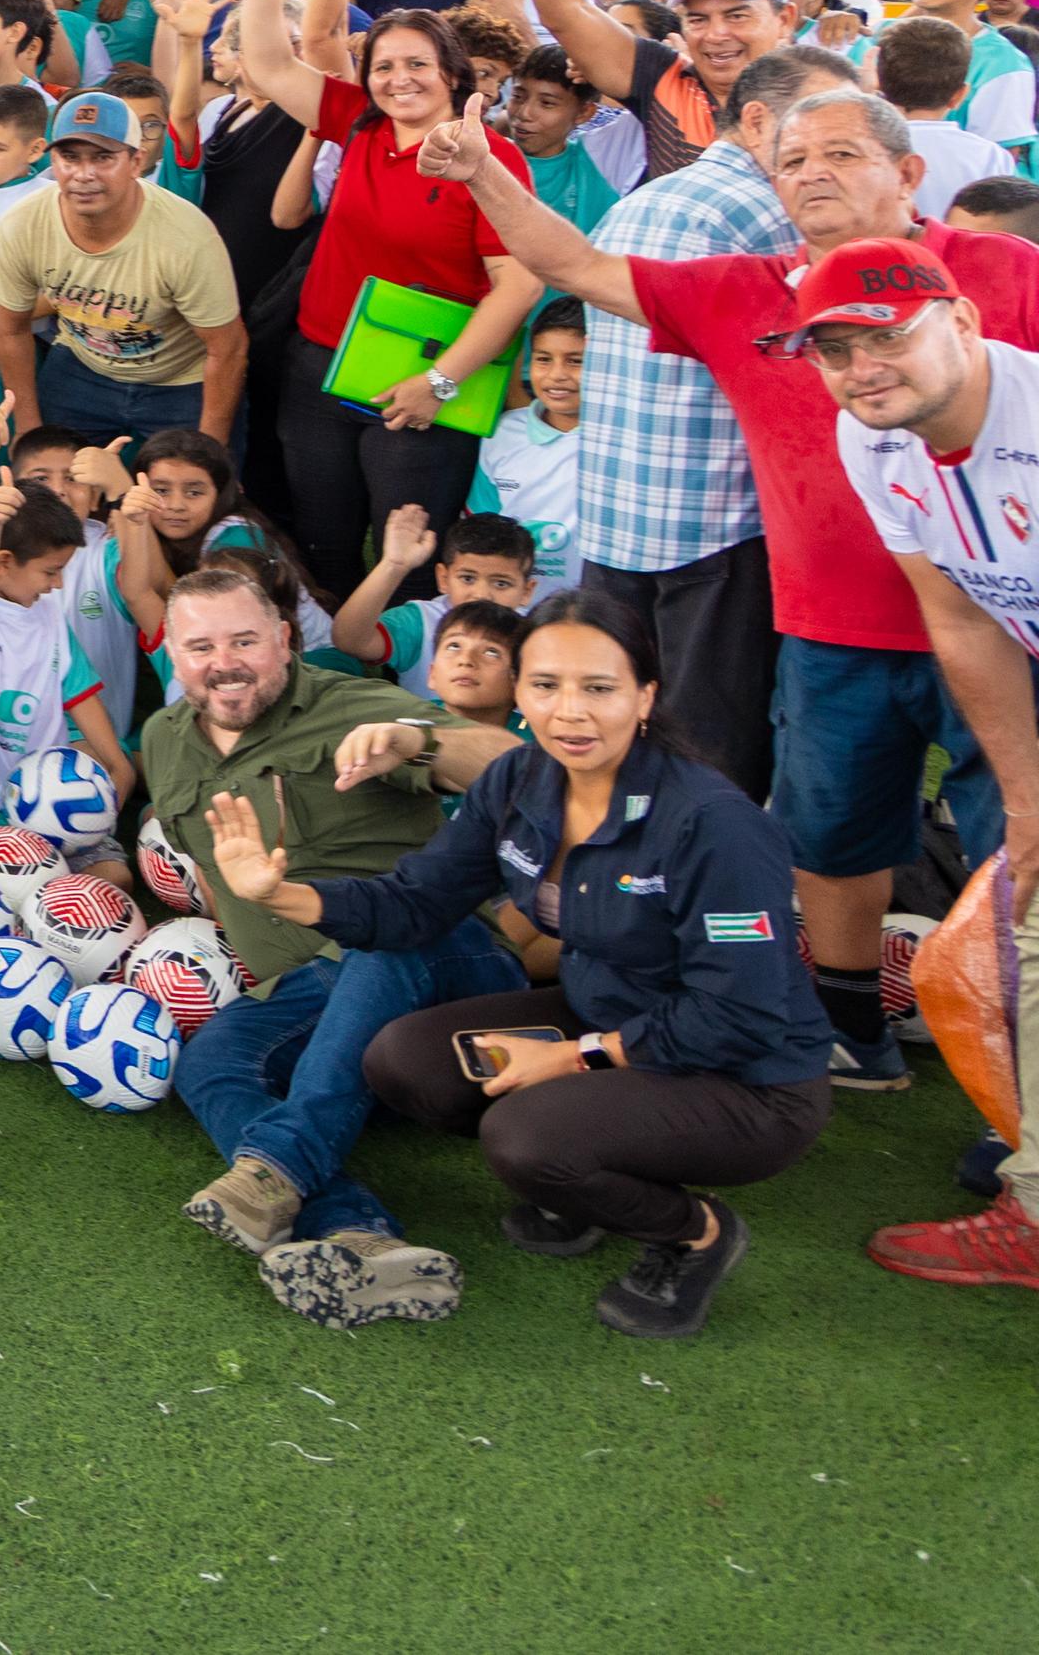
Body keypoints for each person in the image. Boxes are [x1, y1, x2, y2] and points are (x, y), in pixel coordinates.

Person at [426, 94, 1039, 1088]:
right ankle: (852, 1030)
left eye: (840, 152)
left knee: (1012, 843)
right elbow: (575, 265)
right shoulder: (749, 291)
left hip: (1005, 625)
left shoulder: (1000, 272)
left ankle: (1017, 1084)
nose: (810, 172)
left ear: (907, 173)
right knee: (829, 838)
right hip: (830, 630)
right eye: (791, 159)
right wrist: (481, 172)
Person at [204, 597, 832, 1339]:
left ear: (645, 695)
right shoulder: (520, 780)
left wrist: (573, 1057)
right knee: (405, 1062)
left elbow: (739, 1012)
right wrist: (280, 894)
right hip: (609, 1013)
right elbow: (415, 903)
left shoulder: (714, 823)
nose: (570, 711)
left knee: (524, 1137)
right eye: (545, 684)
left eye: (599, 687)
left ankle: (694, 1232)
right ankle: (590, 1172)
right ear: (521, 693)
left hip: (748, 1079)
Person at [138, 561, 528, 1329]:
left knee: (384, 931)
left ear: (285, 639)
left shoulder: (352, 705)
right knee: (211, 1061)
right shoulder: (164, 738)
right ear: (173, 654)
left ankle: (277, 1167)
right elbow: (214, 869)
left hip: (444, 967)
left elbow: (506, 763)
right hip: (312, 990)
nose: (225, 663)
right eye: (202, 646)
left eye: (245, 640)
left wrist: (415, 741)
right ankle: (360, 1237)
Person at [798, 238, 1039, 1288]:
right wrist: (1025, 799)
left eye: (887, 336)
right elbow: (964, 620)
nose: (862, 368)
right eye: (834, 348)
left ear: (965, 322)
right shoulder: (872, 436)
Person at [233, 0, 539, 595]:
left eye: (417, 64)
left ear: (453, 73)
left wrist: (440, 383)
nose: (399, 79)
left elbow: (519, 286)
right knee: (323, 538)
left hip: (425, 381)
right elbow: (272, 65)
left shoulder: (489, 157)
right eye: (383, 66)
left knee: (410, 557)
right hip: (322, 368)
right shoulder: (359, 124)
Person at [0, 88, 247, 446]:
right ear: (52, 161)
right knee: (49, 473)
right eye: (69, 157)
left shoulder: (187, 237)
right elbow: (12, 330)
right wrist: (28, 428)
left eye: (103, 157)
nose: (84, 174)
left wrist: (209, 452)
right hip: (82, 367)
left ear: (136, 162)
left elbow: (228, 348)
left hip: (180, 381)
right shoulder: (23, 223)